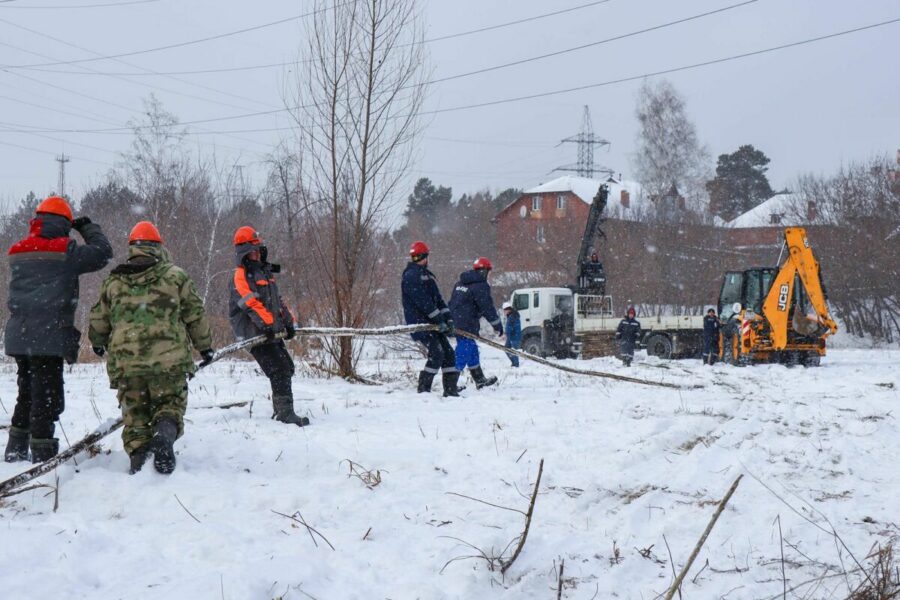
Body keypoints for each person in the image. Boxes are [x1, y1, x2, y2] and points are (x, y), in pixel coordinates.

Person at [89, 222, 214, 474]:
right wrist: (205, 347)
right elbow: (194, 315)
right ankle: (164, 435)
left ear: (132, 248)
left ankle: (139, 464)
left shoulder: (114, 280)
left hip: (127, 365)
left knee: (134, 416)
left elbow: (99, 318)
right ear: (158, 247)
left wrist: (98, 342)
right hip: (169, 362)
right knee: (170, 404)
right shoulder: (176, 276)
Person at [4, 196, 112, 464]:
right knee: (47, 397)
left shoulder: (17, 250)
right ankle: (43, 457)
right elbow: (103, 253)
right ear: (65, 223)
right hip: (49, 335)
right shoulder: (65, 250)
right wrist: (87, 227)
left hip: (19, 334)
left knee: (26, 392)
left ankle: (15, 450)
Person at [228, 226, 309, 427]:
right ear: (243, 252)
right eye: (252, 250)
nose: (256, 253)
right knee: (279, 369)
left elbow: (276, 301)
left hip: (269, 330)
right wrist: (268, 324)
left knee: (287, 367)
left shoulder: (264, 273)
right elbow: (251, 304)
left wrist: (288, 321)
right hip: (253, 332)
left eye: (258, 249)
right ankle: (284, 414)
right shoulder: (240, 276)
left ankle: (281, 410)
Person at [401, 240, 462, 397]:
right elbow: (424, 303)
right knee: (437, 353)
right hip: (421, 324)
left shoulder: (426, 276)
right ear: (425, 257)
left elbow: (438, 300)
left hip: (435, 324)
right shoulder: (411, 276)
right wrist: (439, 320)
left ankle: (451, 391)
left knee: (449, 354)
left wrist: (448, 319)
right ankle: (423, 391)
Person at [449, 257, 503, 389]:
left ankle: (479, 379)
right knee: (464, 349)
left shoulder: (460, 283)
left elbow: (452, 303)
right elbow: (487, 308)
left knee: (472, 349)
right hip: (466, 323)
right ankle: (450, 383)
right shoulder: (480, 285)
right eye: (488, 272)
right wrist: (497, 325)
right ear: (484, 271)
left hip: (456, 320)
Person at [502, 301, 521, 367]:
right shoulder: (511, 315)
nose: (504, 312)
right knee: (506, 349)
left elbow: (511, 327)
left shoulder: (513, 316)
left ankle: (516, 364)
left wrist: (507, 332)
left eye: (504, 311)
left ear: (508, 310)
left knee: (513, 351)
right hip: (511, 336)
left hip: (514, 336)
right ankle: (514, 362)